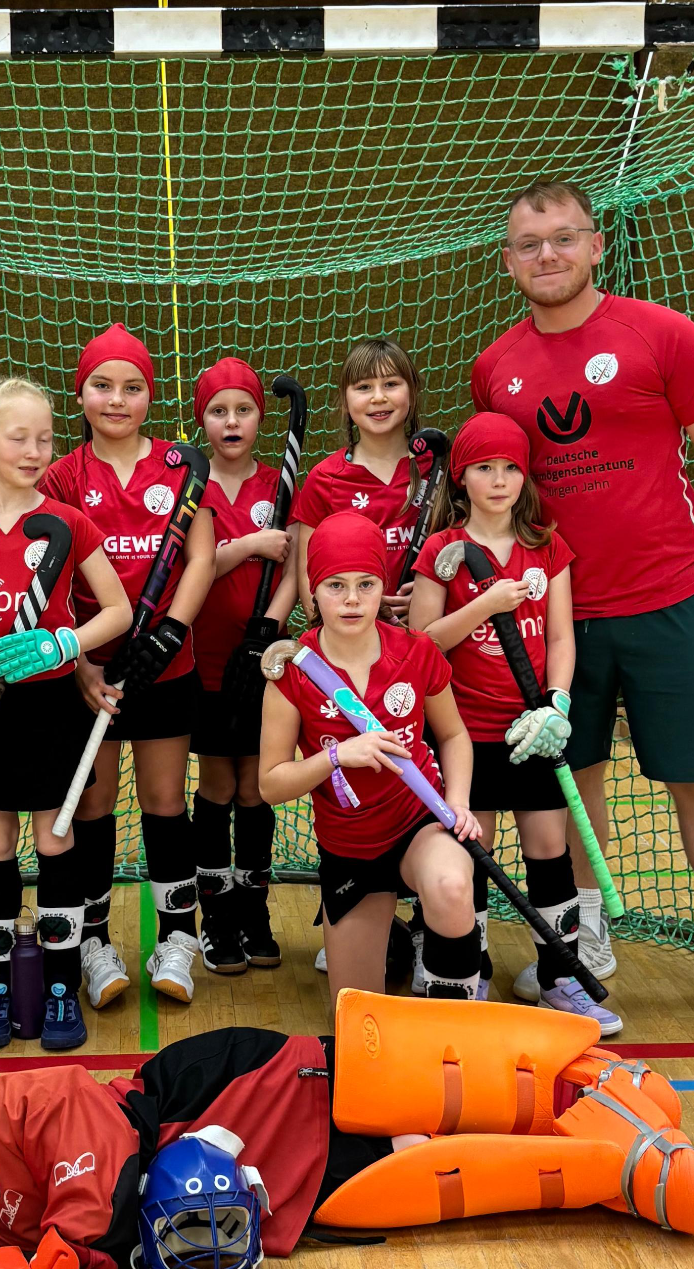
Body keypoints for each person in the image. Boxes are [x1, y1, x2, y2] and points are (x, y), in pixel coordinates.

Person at [0, 994, 694, 1269]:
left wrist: (69, 1256)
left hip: (223, 1093)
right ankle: (612, 1160)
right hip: (249, 1192)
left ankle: (583, 1073)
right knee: (407, 1180)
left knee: (400, 1087)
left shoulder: (14, 1103)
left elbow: (101, 1170)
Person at [473, 178, 694, 1042]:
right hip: (557, 620)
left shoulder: (660, 333)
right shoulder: (495, 365)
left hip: (671, 604)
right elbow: (497, 496)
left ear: (595, 246)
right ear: (507, 262)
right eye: (528, 244)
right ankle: (585, 943)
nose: (546, 255)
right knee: (569, 783)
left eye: (562, 238)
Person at [0, 377, 131, 1051]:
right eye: (19, 437)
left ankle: (63, 986)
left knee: (55, 842)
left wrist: (64, 642)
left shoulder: (68, 522)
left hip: (49, 706)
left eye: (45, 437)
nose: (35, 450)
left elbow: (118, 611)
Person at [408, 413, 619, 1034]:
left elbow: (559, 634)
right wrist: (485, 603)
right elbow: (423, 642)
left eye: (510, 468)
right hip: (465, 731)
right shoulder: (442, 552)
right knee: (474, 850)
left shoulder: (546, 547)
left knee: (550, 849)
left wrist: (557, 702)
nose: (498, 481)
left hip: (534, 729)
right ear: (461, 476)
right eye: (484, 468)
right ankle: (465, 971)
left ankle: (560, 978)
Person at [39, 325, 217, 1007]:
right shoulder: (61, 475)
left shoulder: (179, 467)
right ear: (79, 394)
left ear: (150, 395)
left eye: (133, 387)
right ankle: (93, 942)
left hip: (164, 667)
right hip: (88, 674)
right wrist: (79, 660)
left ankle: (177, 939)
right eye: (102, 386)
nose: (117, 400)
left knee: (165, 802)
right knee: (91, 803)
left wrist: (172, 631)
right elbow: (42, 580)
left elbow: (198, 555)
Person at [258, 513, 484, 1003]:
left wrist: (459, 801)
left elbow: (455, 735)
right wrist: (338, 756)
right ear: (313, 591)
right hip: (350, 844)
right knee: (360, 1020)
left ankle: (454, 1028)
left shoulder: (417, 652)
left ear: (384, 586)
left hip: (416, 822)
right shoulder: (294, 672)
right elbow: (271, 784)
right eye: (335, 585)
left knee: (451, 885)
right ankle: (398, 940)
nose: (353, 599)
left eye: (366, 583)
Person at [188, 358, 297, 974]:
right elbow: (192, 569)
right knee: (218, 784)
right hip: (201, 661)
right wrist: (248, 546)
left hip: (261, 662)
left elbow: (295, 571)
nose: (232, 421)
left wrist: (269, 627)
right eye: (218, 410)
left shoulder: (280, 486)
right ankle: (216, 916)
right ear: (202, 419)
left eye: (244, 409)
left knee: (257, 785)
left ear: (260, 416)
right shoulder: (193, 486)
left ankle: (254, 911)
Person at [289, 337, 432, 622]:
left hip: (430, 634)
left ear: (412, 392)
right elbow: (308, 576)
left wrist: (434, 594)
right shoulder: (324, 478)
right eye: (364, 387)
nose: (378, 397)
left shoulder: (438, 466)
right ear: (345, 400)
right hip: (355, 641)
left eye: (391, 384)